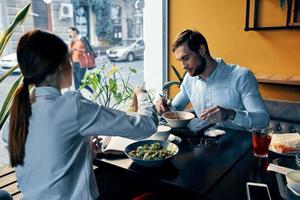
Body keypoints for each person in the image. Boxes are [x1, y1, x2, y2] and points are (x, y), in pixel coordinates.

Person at [2, 29, 158, 200]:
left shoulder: (15, 119)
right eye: (69, 59)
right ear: (60, 65)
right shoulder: (71, 106)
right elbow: (146, 126)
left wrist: (84, 151)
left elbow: (42, 168)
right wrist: (142, 93)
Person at [156, 29, 269, 130]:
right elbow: (174, 110)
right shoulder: (189, 80)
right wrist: (164, 107)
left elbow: (263, 120)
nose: (183, 66)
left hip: (239, 148)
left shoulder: (242, 77)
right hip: (204, 146)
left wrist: (229, 114)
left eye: (186, 58)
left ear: (201, 50)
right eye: (179, 60)